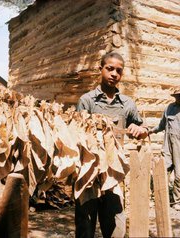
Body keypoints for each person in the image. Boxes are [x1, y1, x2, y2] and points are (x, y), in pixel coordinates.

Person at [75, 52, 148, 238]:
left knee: (116, 226)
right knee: (85, 226)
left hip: (114, 174)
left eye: (119, 70)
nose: (114, 73)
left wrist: (140, 129)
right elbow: (76, 133)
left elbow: (142, 128)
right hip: (88, 173)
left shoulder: (127, 104)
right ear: (101, 69)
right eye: (110, 68)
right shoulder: (87, 101)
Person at [149, 87, 180, 211]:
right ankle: (157, 197)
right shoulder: (169, 108)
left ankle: (177, 201)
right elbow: (161, 125)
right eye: (177, 96)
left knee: (179, 175)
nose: (178, 98)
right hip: (168, 145)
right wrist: (150, 131)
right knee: (161, 170)